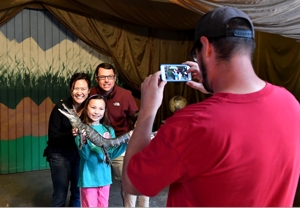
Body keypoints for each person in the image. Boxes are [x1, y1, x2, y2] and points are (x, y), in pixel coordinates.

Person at [122, 7, 300, 207]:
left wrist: (147, 110)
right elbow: (244, 119)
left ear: (206, 47)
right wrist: (217, 90)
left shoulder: (191, 124)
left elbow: (132, 183)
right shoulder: (291, 104)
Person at [90, 62, 139, 204]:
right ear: (96, 78)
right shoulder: (91, 94)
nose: (107, 81)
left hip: (120, 145)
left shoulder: (125, 95)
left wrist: (133, 135)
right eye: (103, 77)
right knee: (94, 183)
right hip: (96, 145)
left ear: (115, 78)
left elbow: (136, 117)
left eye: (110, 77)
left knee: (126, 182)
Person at [73, 94, 128, 207]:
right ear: (86, 108)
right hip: (88, 179)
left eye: (101, 108)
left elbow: (111, 155)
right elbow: (85, 156)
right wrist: (83, 139)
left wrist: (125, 144)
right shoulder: (81, 130)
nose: (96, 111)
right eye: (93, 107)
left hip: (105, 179)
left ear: (104, 111)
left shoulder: (108, 130)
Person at [46, 72, 91, 207]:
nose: (79, 92)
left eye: (83, 89)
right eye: (76, 88)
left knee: (77, 193)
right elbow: (53, 137)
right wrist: (71, 133)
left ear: (89, 91)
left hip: (79, 154)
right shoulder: (61, 107)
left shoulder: (90, 109)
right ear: (71, 89)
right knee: (60, 193)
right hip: (59, 153)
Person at [122, 110, 150, 207]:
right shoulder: (129, 135)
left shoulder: (150, 135)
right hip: (131, 173)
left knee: (144, 199)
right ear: (134, 124)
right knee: (130, 199)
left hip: (146, 174)